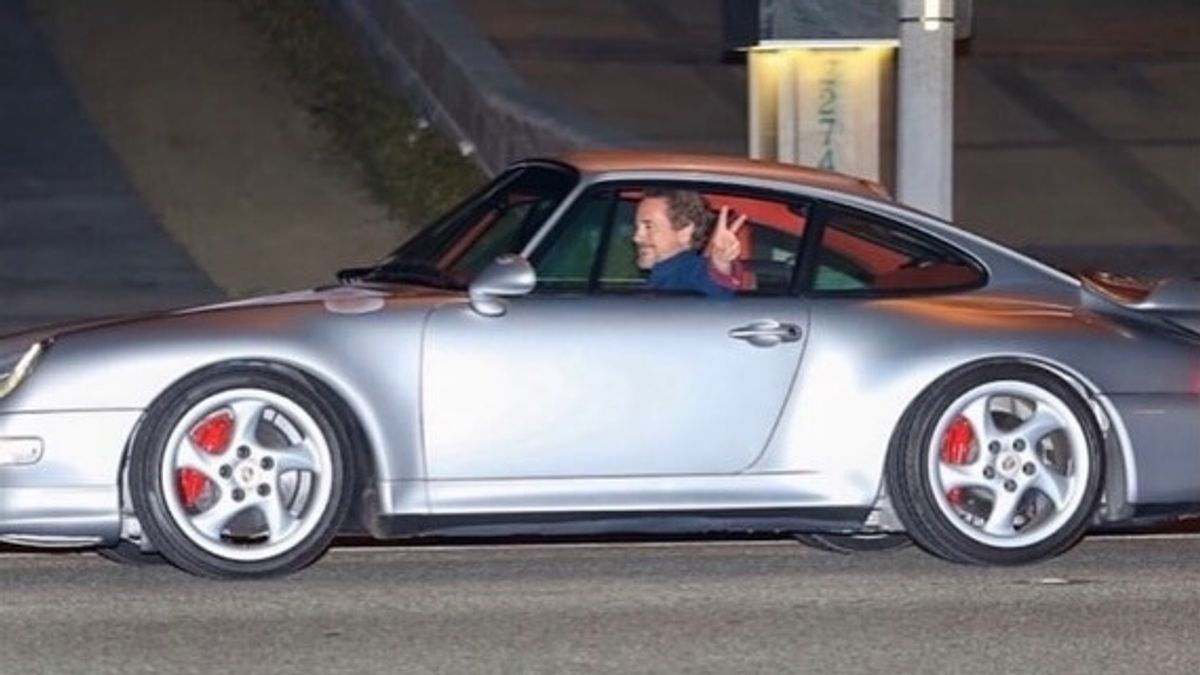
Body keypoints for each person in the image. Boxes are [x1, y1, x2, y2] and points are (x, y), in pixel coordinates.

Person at [632, 189, 746, 298]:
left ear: (685, 232)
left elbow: (717, 288)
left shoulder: (690, 273)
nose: (637, 238)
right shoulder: (662, 276)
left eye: (649, 227)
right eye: (637, 227)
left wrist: (721, 262)